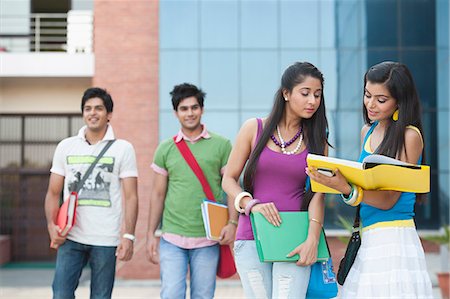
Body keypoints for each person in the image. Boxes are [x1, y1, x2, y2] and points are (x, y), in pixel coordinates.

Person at [307, 61, 433, 298]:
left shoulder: (409, 136)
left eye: (381, 99)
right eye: (367, 95)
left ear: (399, 100)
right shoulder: (368, 131)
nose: (371, 104)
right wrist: (337, 183)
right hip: (369, 237)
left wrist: (345, 187)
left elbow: (389, 200)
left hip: (395, 238)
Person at [222, 62, 330, 298]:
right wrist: (251, 204)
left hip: (295, 238)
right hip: (252, 235)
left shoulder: (317, 140)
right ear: (286, 93)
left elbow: (317, 194)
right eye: (305, 93)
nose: (312, 101)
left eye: (317, 95)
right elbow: (228, 179)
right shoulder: (254, 128)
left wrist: (312, 238)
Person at [44, 87, 139, 299]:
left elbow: (131, 196)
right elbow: (53, 192)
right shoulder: (66, 146)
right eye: (87, 108)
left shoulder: (123, 149)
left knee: (101, 296)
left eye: (98, 108)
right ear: (83, 113)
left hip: (106, 238)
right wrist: (52, 226)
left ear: (109, 115)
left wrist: (128, 235)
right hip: (70, 235)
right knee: (60, 294)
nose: (92, 113)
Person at [146, 83, 235, 299]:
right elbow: (157, 194)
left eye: (194, 107)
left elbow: (232, 188)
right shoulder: (165, 148)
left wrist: (233, 224)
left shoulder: (222, 145)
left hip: (207, 239)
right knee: (171, 295)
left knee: (203, 296)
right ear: (176, 113)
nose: (190, 113)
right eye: (184, 109)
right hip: (172, 237)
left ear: (202, 109)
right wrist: (150, 234)